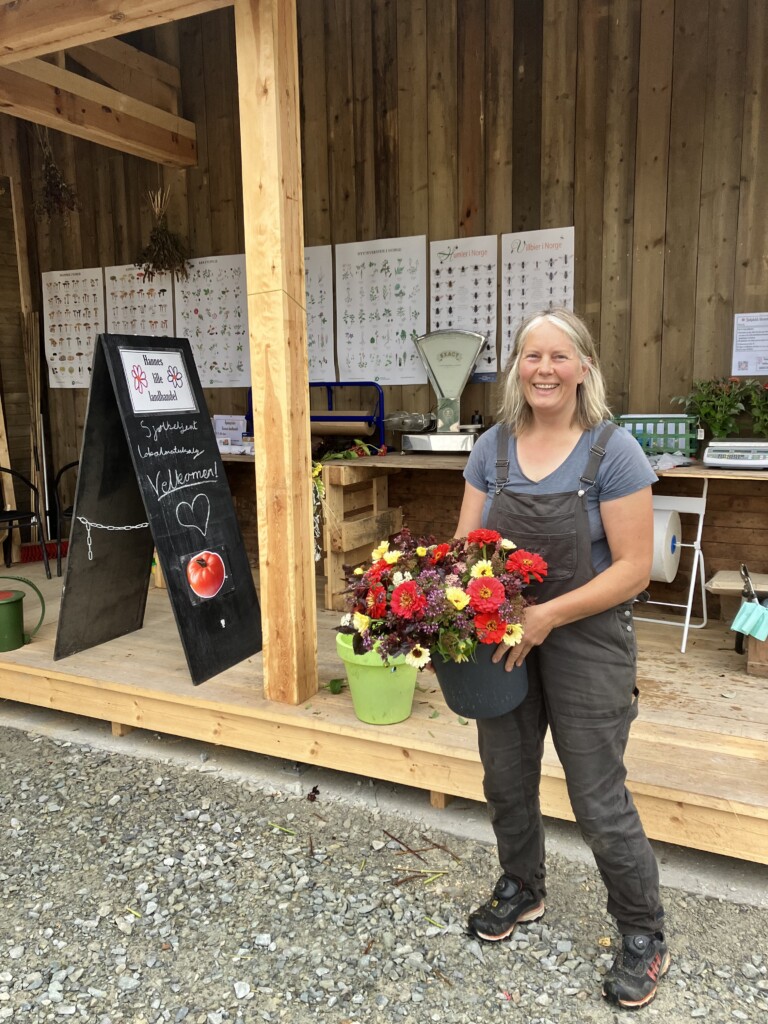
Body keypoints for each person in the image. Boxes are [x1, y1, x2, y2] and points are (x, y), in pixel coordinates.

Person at [455, 308, 669, 1010]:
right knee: (506, 776)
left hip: (588, 639)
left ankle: (642, 930)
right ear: (517, 368)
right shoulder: (491, 449)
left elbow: (634, 569)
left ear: (583, 368)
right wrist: (441, 615)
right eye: (531, 356)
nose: (543, 369)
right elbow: (465, 550)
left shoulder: (614, 451)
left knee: (597, 797)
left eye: (558, 356)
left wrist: (547, 615)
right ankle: (523, 887)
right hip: (505, 638)